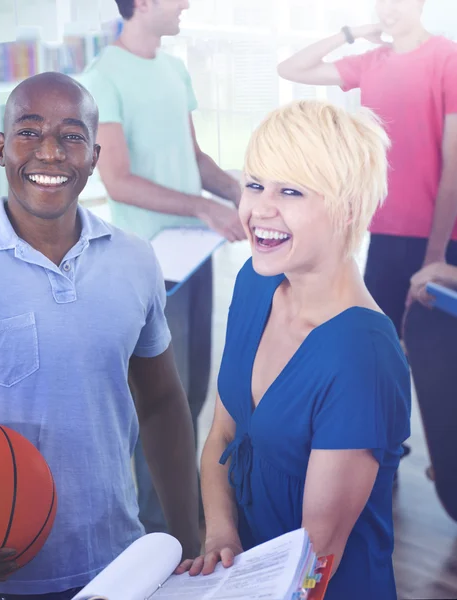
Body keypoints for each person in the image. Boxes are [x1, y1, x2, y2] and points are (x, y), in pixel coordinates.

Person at [0, 72, 200, 600]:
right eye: (29, 131)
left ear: (94, 155)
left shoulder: (135, 260)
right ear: (1, 148)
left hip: (118, 565)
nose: (49, 152)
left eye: (71, 136)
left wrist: (189, 535)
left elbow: (161, 401)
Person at [175, 100, 411, 600]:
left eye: (291, 191)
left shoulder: (362, 359)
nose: (260, 208)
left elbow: (315, 563)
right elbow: (220, 434)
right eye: (255, 184)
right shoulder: (255, 284)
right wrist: (220, 533)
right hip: (245, 578)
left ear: (347, 208)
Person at [79, 0, 245, 535]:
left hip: (193, 256)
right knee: (160, 399)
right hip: (148, 268)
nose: (186, 4)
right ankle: (160, 529)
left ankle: (179, 506)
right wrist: (201, 205)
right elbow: (119, 180)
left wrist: (248, 195)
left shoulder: (173, 68)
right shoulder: (102, 77)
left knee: (195, 392)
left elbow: (194, 160)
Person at [276, 0, 457, 340]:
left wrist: (436, 255)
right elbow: (290, 68)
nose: (387, 8)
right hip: (385, 230)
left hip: (440, 236)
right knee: (381, 346)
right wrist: (352, 33)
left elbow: (454, 166)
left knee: (436, 357)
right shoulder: (372, 62)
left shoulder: (449, 58)